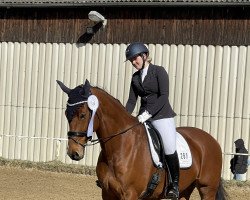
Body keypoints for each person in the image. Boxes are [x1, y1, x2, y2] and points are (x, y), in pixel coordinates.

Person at [125, 42, 179, 199]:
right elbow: (131, 101)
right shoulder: (135, 78)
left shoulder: (159, 71)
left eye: (135, 59)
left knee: (169, 147)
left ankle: (174, 184)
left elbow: (164, 96)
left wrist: (148, 113)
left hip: (162, 116)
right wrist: (126, 118)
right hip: (143, 118)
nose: (133, 62)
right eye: (131, 60)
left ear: (144, 56)